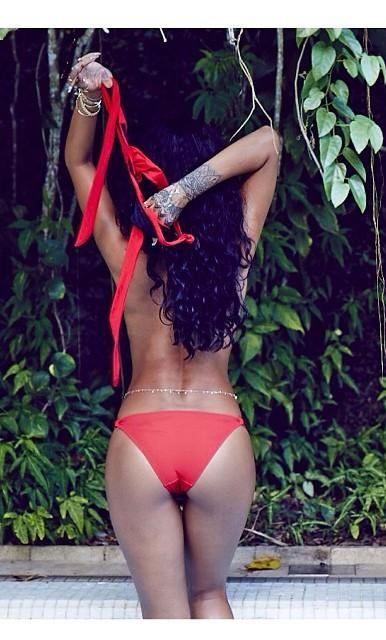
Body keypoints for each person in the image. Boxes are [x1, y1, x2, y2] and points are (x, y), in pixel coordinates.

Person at [64, 52, 281, 618]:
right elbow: (268, 145)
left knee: (164, 616)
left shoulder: (127, 255)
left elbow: (79, 162)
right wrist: (187, 191)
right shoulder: (234, 254)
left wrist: (89, 94)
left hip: (144, 434)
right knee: (209, 595)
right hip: (219, 436)